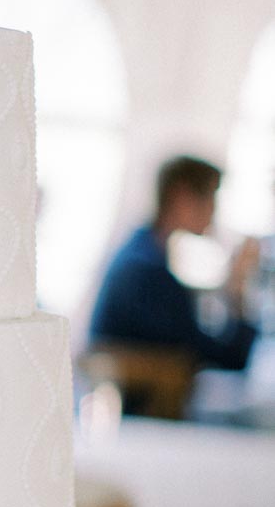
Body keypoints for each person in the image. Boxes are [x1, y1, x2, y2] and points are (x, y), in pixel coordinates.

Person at [89, 153, 258, 373]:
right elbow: (225, 357)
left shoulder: (139, 252)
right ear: (182, 197)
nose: (213, 212)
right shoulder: (147, 272)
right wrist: (238, 287)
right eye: (210, 198)